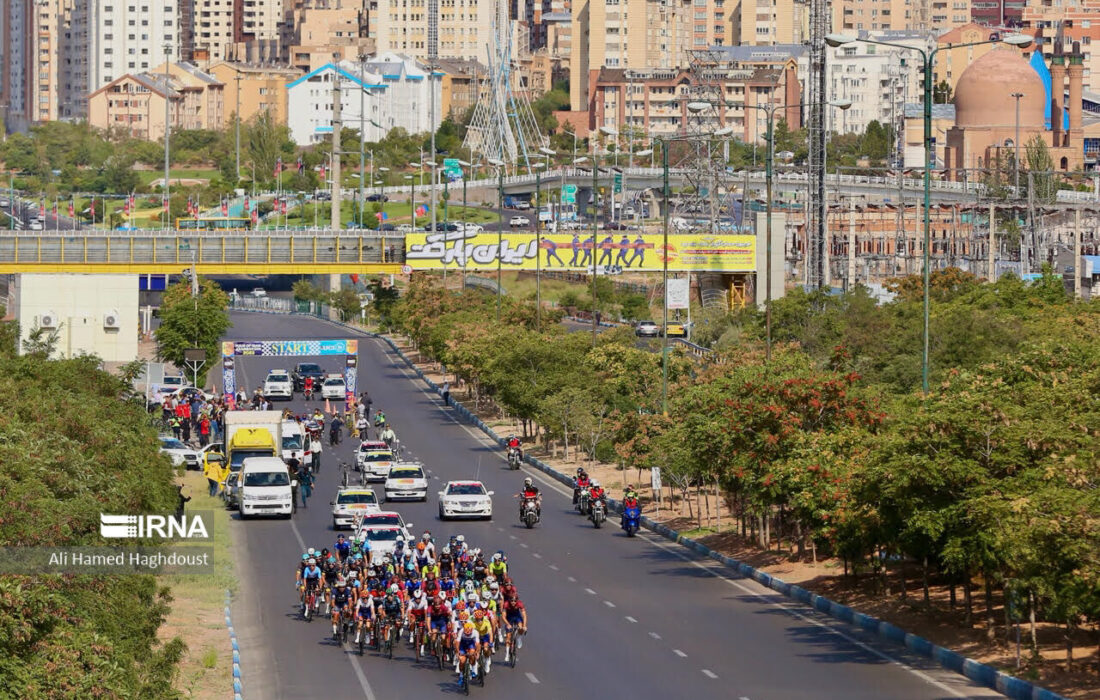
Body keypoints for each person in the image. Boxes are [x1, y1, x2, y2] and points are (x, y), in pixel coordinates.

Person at [500, 592, 527, 662]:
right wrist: (507, 624)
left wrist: (524, 626)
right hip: (509, 617)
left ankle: (519, 638)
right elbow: (503, 616)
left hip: (517, 616)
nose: (513, 602)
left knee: (520, 627)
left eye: (515, 601)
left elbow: (524, 615)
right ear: (509, 601)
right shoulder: (506, 604)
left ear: (517, 601)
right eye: (511, 601)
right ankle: (507, 654)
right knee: (508, 638)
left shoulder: (520, 604)